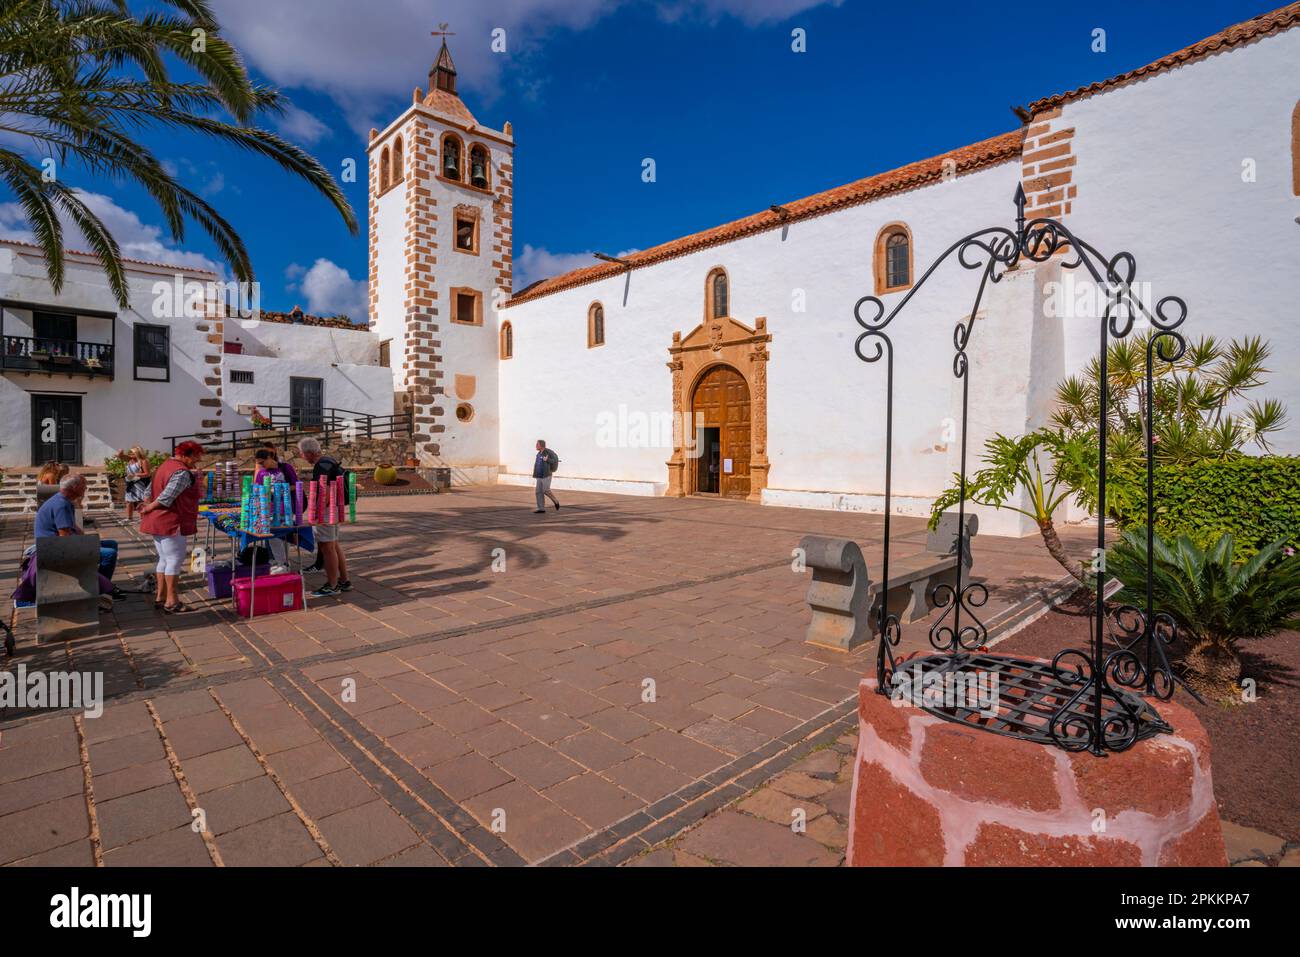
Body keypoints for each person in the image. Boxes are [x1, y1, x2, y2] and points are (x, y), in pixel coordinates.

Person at [14, 473, 121, 608]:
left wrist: (87, 540)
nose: (86, 488)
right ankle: (98, 594)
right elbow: (65, 539)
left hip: (56, 544)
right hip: (54, 550)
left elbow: (73, 528)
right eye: (84, 485)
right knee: (109, 553)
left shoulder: (63, 500)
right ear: (75, 487)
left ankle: (98, 584)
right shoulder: (61, 505)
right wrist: (86, 546)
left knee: (111, 544)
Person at [138, 441, 204, 613]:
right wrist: (148, 507)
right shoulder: (181, 472)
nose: (197, 461)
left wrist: (146, 504)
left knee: (164, 559)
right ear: (186, 455)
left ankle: (161, 597)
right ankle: (172, 601)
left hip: (158, 521)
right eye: (196, 457)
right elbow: (167, 497)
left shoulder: (165, 465)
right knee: (174, 560)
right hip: (171, 520)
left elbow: (149, 491)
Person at [297, 437, 351, 597]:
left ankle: (333, 585)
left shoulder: (321, 466)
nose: (301, 457)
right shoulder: (329, 460)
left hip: (326, 511)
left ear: (308, 453)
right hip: (334, 508)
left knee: (328, 547)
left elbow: (325, 492)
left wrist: (315, 514)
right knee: (333, 545)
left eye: (301, 453)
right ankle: (344, 581)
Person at [253, 448, 292, 574]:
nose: (262, 465)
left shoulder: (285, 468)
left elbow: (295, 485)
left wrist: (280, 489)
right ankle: (281, 562)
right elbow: (257, 490)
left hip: (284, 508)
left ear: (270, 457)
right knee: (273, 536)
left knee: (283, 535)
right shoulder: (261, 473)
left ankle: (284, 563)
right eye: (259, 463)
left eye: (263, 462)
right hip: (268, 509)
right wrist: (266, 491)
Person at [118, 446, 152, 520]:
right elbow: (121, 456)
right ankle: (129, 518)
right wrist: (120, 453)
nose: (130, 453)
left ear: (137, 453)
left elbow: (148, 473)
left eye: (132, 452)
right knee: (128, 500)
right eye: (129, 452)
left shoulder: (143, 461)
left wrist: (135, 475)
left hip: (140, 483)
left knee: (140, 500)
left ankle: (143, 518)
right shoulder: (130, 460)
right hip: (130, 483)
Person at [532, 439, 560, 514]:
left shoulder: (548, 452)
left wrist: (547, 459)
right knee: (538, 492)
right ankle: (541, 508)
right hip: (539, 475)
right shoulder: (539, 453)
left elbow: (554, 461)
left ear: (541, 445)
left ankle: (556, 501)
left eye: (537, 444)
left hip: (546, 475)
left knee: (546, 490)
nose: (536, 446)